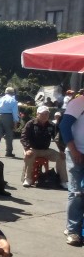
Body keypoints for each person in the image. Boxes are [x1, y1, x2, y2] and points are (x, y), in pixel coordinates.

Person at [21, 105, 67, 188]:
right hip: (33, 149)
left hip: (46, 150)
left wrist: (61, 150)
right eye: (42, 114)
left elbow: (57, 138)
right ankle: (28, 178)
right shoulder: (31, 124)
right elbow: (24, 137)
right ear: (37, 114)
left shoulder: (51, 125)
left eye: (47, 114)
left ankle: (63, 181)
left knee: (61, 157)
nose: (45, 116)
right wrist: (27, 148)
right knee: (28, 156)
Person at [60, 95, 84, 245]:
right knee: (77, 193)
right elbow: (64, 126)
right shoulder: (78, 102)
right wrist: (74, 150)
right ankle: (73, 230)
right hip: (77, 152)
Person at [0, 86, 20, 157]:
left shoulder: (0, 99)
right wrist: (15, 122)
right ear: (13, 93)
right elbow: (15, 112)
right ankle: (9, 152)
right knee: (9, 134)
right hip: (8, 116)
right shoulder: (13, 100)